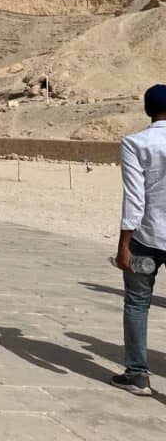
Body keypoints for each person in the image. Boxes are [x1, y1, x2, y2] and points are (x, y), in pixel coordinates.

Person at [111, 84, 166, 396]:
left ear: (147, 110)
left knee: (136, 304)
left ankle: (138, 375)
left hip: (145, 237)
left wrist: (123, 245)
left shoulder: (135, 143)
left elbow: (135, 199)